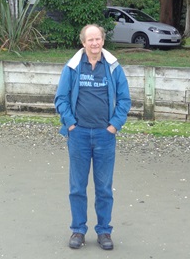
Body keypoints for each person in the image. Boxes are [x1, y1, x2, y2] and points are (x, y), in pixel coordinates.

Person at [54, 24, 131, 251]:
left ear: (103, 41)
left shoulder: (113, 67)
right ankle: (78, 230)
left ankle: (104, 231)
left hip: (104, 136)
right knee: (77, 187)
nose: (95, 43)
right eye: (90, 40)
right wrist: (70, 124)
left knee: (104, 187)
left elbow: (124, 100)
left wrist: (114, 126)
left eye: (98, 39)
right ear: (83, 43)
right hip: (78, 135)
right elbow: (61, 98)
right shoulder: (73, 67)